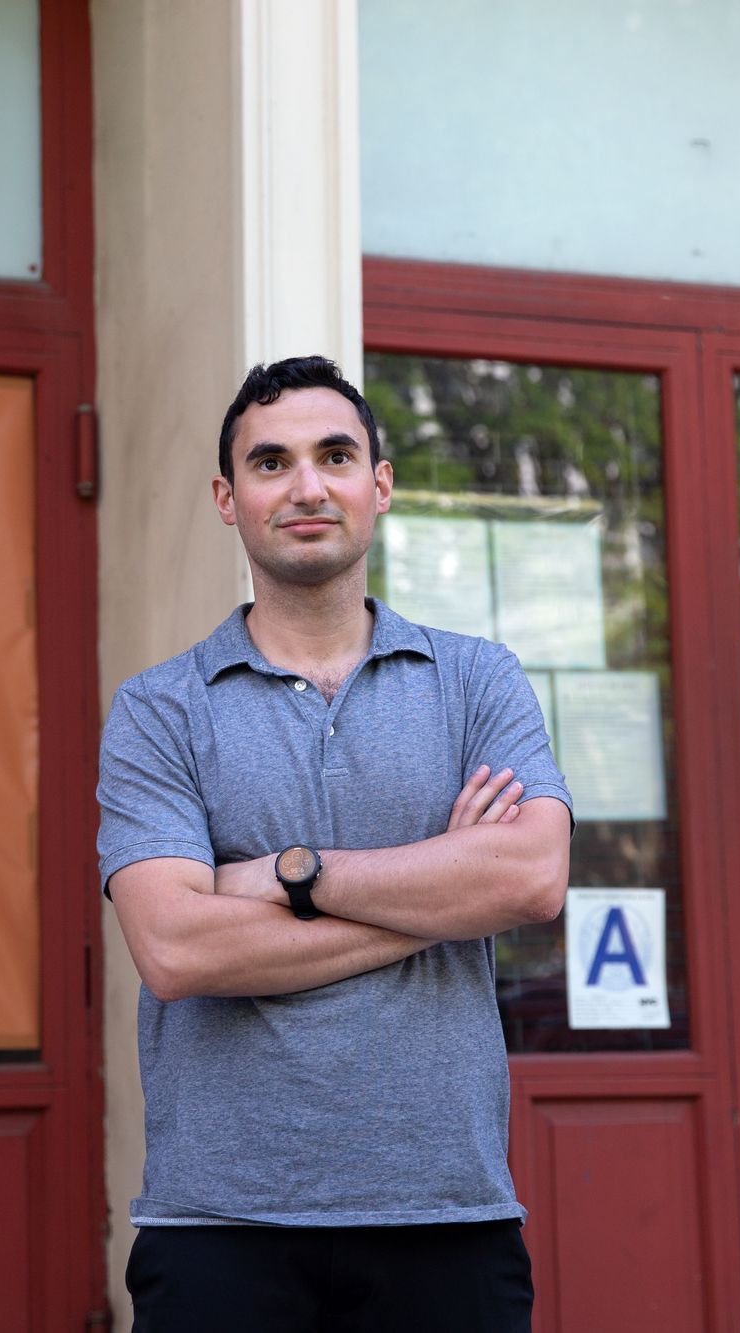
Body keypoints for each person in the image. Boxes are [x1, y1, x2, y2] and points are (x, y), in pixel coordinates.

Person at [96, 355, 574, 1332]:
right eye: (271, 463)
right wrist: (440, 895)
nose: (306, 486)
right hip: (218, 1226)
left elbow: (530, 875)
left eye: (335, 456)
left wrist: (289, 874)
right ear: (228, 500)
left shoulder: (476, 680)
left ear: (379, 485)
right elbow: (176, 949)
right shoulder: (158, 708)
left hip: (445, 1216)